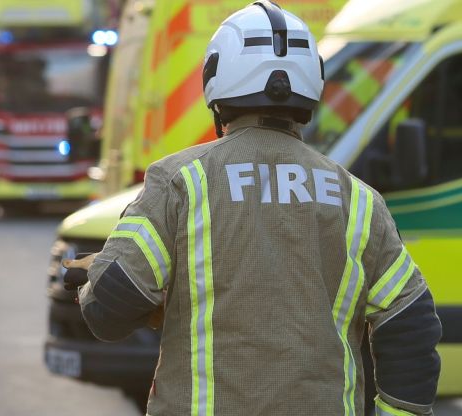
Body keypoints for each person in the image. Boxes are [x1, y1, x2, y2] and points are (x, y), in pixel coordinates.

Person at [63, 2, 442, 415]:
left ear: (217, 84)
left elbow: (109, 311)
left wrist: (95, 276)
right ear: (311, 86)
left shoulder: (181, 181)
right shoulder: (359, 200)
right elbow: (410, 322)